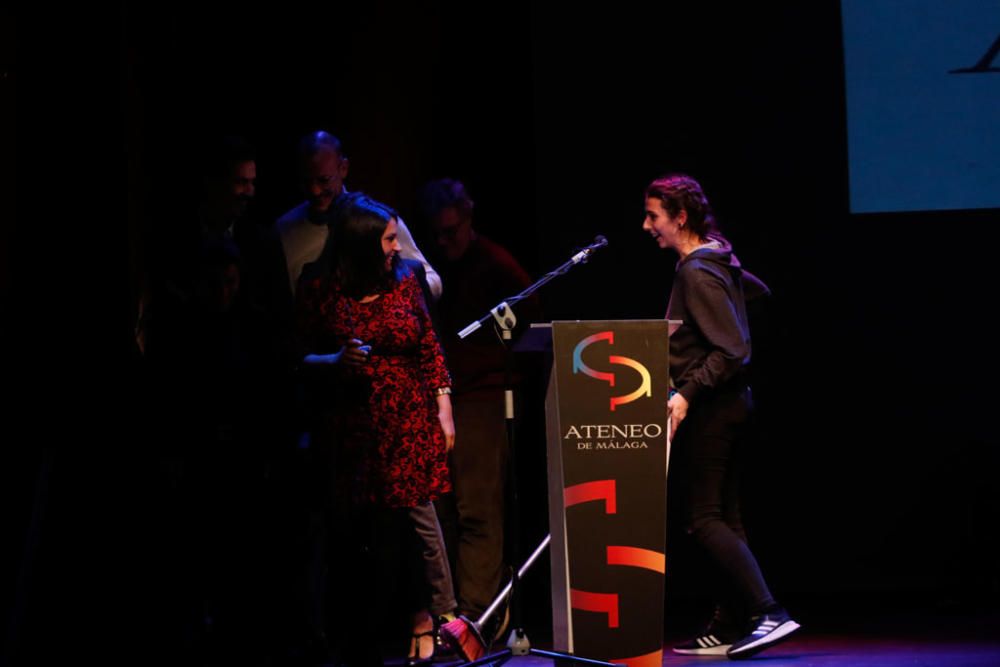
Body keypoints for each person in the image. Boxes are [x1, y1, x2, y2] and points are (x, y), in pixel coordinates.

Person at [641, 174, 799, 659]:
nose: (646, 225)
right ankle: (733, 619)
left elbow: (732, 348)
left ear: (679, 217)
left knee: (703, 519)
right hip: (732, 405)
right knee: (725, 516)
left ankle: (768, 612)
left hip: (714, 407)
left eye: (654, 216)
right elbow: (760, 292)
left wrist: (687, 390)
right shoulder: (717, 256)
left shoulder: (696, 268)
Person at [296, 192, 457, 666]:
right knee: (358, 535)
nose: (397, 247)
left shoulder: (404, 279)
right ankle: (355, 635)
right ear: (362, 242)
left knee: (421, 522)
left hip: (408, 418)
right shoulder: (320, 286)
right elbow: (292, 356)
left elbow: (429, 346)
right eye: (388, 239)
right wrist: (332, 360)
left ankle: (442, 618)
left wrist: (443, 405)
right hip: (354, 426)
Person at [418, 178, 539, 642]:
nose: (445, 242)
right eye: (437, 234)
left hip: (485, 399)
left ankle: (479, 616)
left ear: (469, 221)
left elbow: (531, 329)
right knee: (442, 510)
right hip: (442, 399)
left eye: (452, 231)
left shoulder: (496, 265)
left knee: (478, 510)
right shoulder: (428, 270)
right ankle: (451, 615)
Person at [277, 130, 441, 299]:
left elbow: (432, 280)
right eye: (306, 181)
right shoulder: (283, 230)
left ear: (343, 168)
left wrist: (387, 301)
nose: (315, 190)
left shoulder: (379, 220)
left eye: (323, 180)